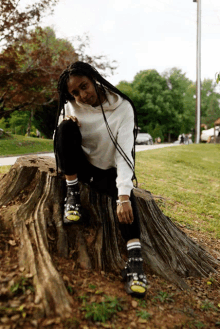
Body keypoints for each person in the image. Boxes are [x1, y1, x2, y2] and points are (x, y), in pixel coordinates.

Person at [54, 61, 147, 298]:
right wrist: (66, 120)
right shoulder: (72, 105)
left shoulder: (122, 107)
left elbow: (125, 153)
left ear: (94, 78)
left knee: (127, 200)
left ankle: (135, 261)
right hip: (82, 169)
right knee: (64, 129)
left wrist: (123, 195)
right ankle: (72, 194)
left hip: (107, 172)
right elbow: (60, 139)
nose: (81, 96)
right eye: (74, 92)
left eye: (84, 87)